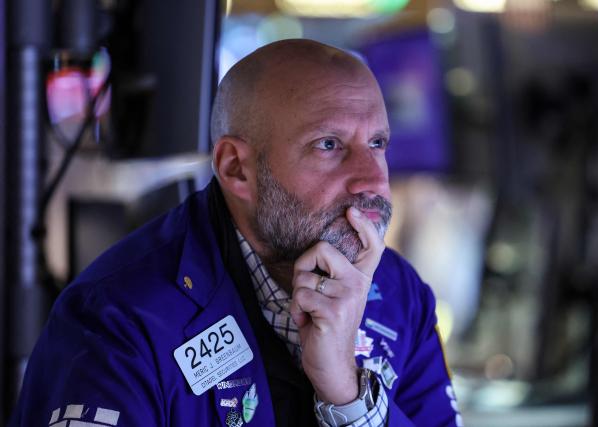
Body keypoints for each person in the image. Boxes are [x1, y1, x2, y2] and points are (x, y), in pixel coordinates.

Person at [10, 39, 462, 427]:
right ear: (236, 168)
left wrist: (346, 392)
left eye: (378, 144)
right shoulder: (120, 318)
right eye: (329, 145)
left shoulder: (401, 295)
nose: (372, 180)